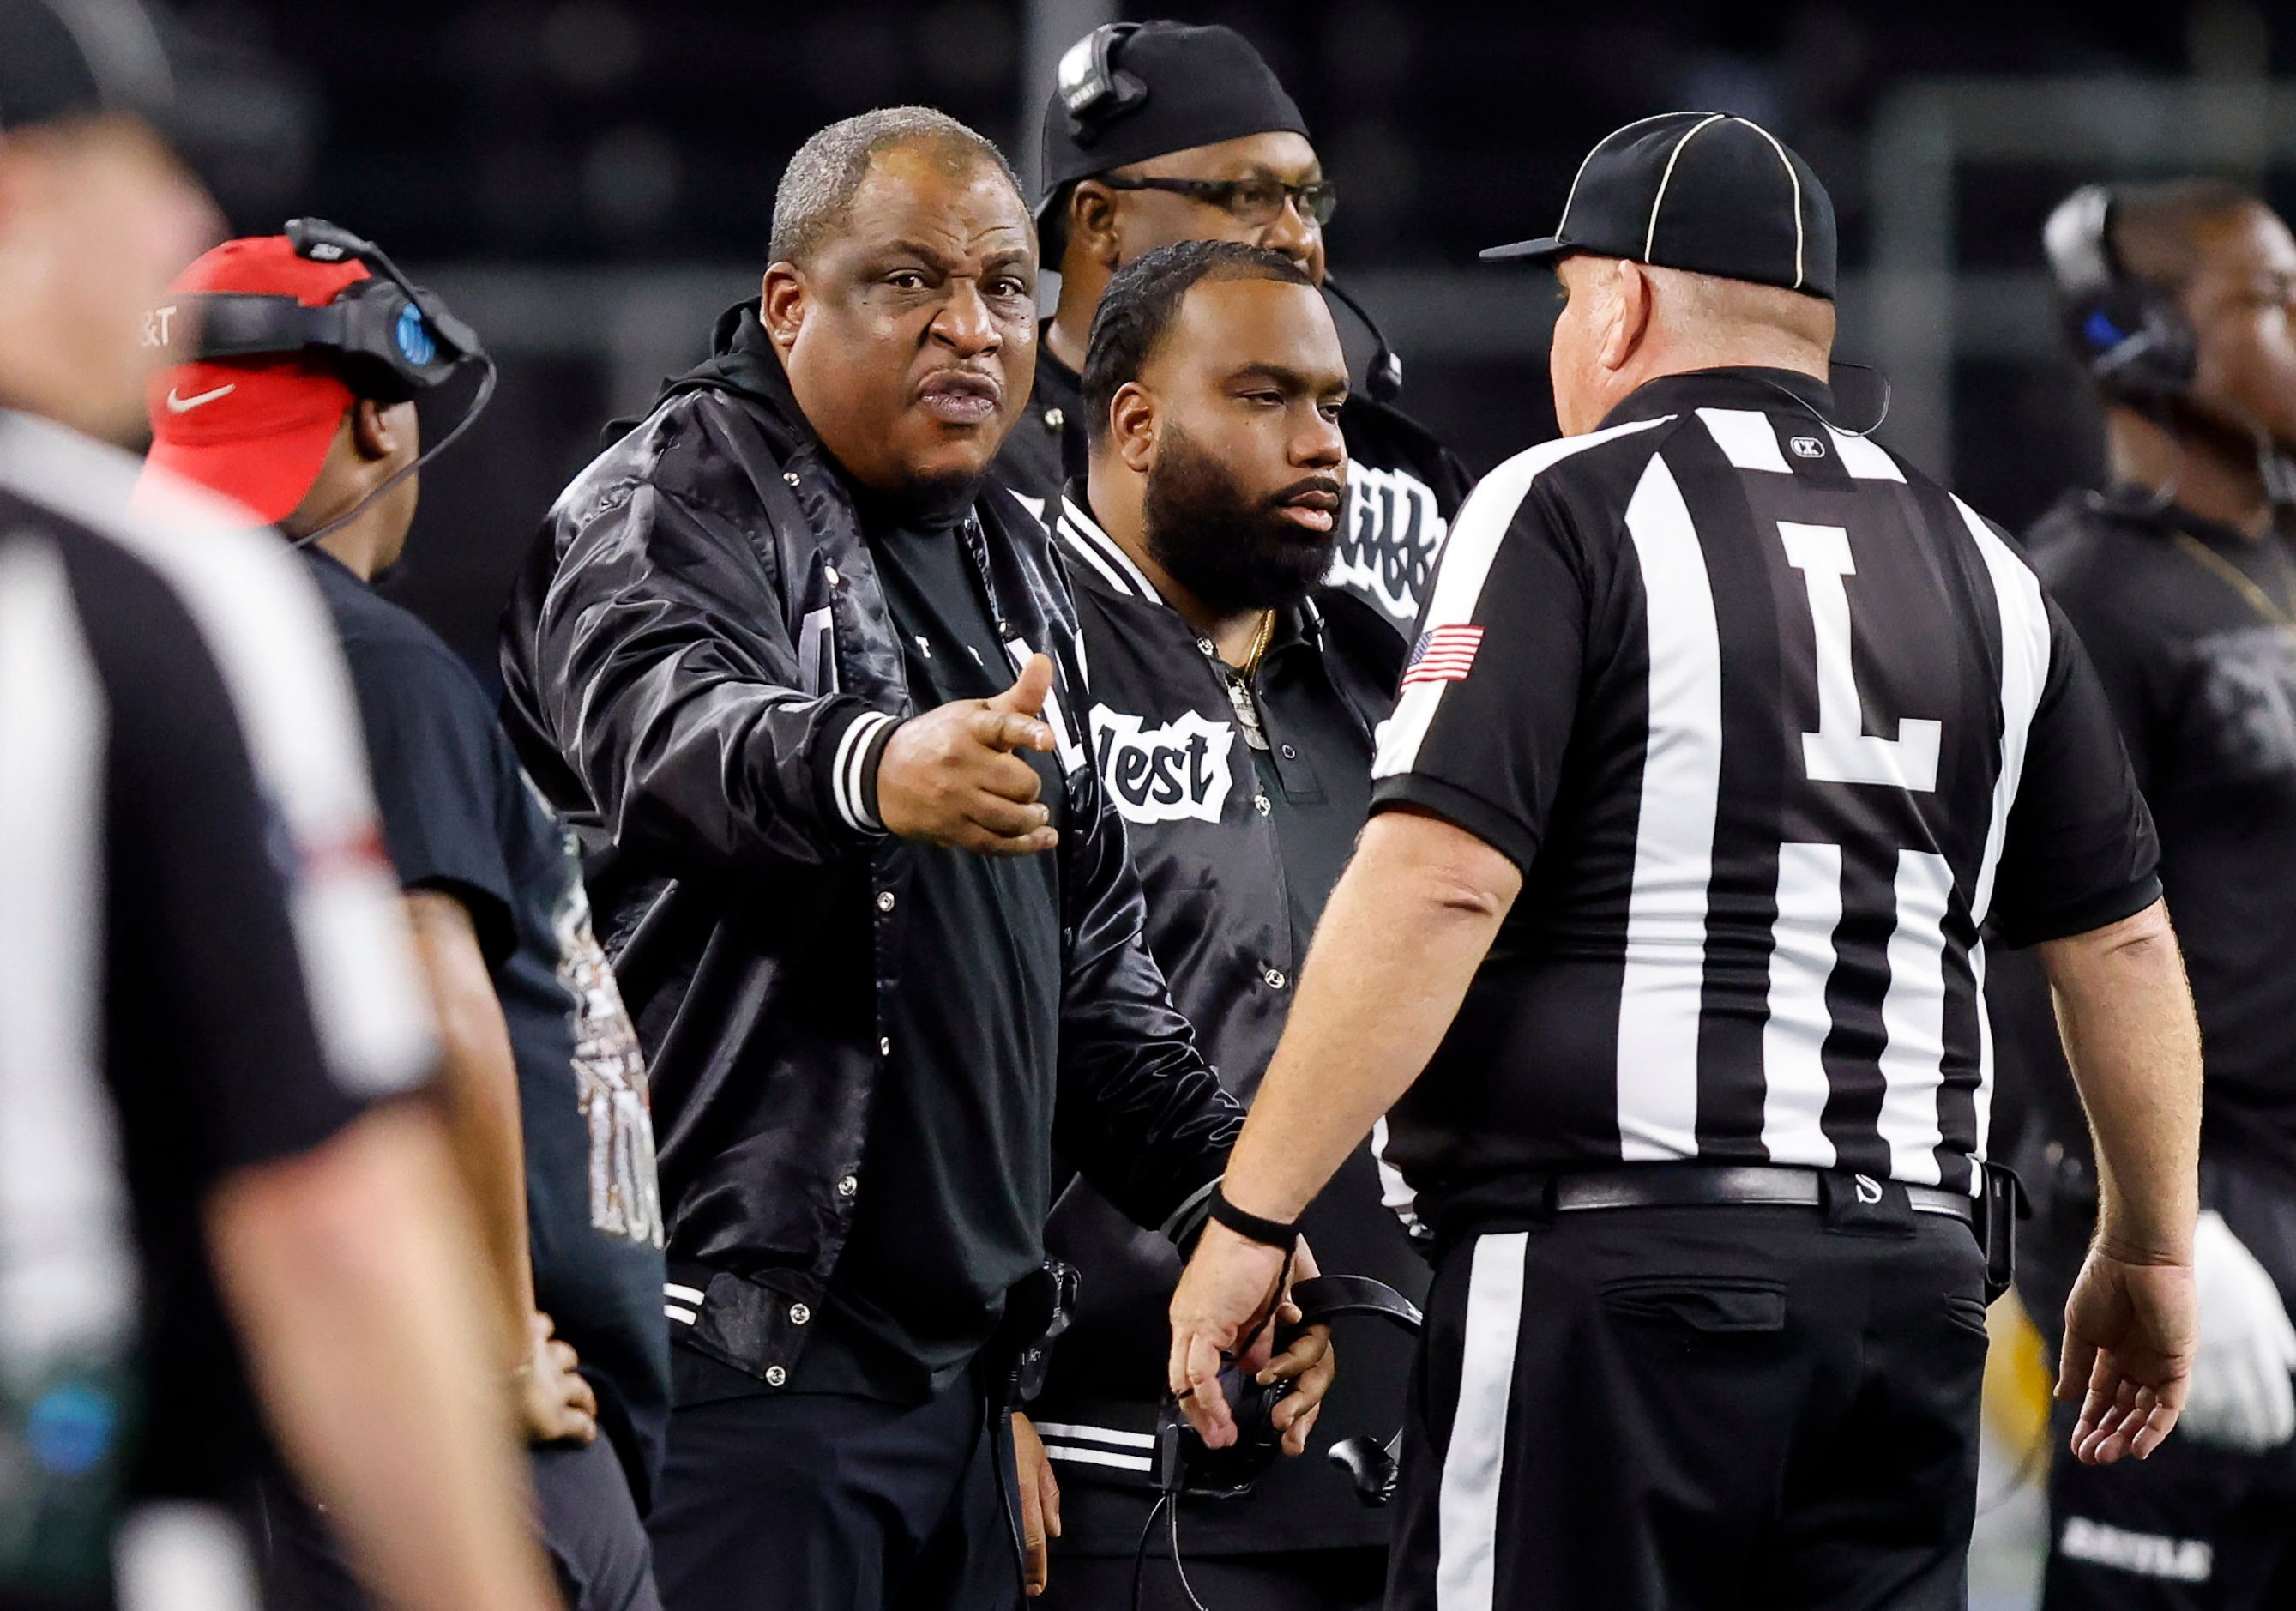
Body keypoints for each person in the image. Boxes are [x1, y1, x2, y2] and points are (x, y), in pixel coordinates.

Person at [1168, 112, 2205, 1610]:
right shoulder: (1984, 562)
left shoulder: (1563, 501)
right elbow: (2118, 943)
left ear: (1624, 300)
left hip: (1616, 1272)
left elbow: (1439, 880)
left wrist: (1254, 1213)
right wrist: (2151, 1249)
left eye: (1562, 300)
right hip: (1909, 1291)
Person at [501, 107, 1327, 1611]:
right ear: (787, 304)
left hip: (946, 1396)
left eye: (1007, 288)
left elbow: (1085, 972)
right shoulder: (658, 499)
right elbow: (672, 736)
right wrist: (876, 765)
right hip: (732, 1364)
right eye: (907, 282)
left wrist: (1228, 1200)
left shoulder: (1018, 553)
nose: (969, 326)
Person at [0, 7, 560, 1609]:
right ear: (17, 196)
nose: (185, 237)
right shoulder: (150, 595)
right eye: (153, 174)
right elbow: (330, 1210)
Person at [136, 225, 671, 1611]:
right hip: (444, 1394)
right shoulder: (364, 659)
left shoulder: (146, 646)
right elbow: (436, 1006)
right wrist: (491, 1348)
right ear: (383, 414)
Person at [1023, 238, 1411, 1611]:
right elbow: (929, 1032)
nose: (1322, 446)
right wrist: (976, 1377)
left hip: (1382, 1462)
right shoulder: (1005, 646)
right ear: (1132, 420)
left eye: (1333, 406)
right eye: (1265, 399)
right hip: (1102, 1464)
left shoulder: (1391, 681)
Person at [1987, 178, 2296, 1609]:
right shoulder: (2082, 597)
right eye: (2265, 303)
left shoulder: (2278, 566)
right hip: (2197, 1213)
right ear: (2135, 340)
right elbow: (2017, 939)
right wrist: (2161, 1231)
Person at [997, 20, 1471, 637]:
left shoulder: (1408, 475)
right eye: (1248, 196)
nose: (1297, 237)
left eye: (1308, 200)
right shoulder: (975, 451)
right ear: (1099, 218)